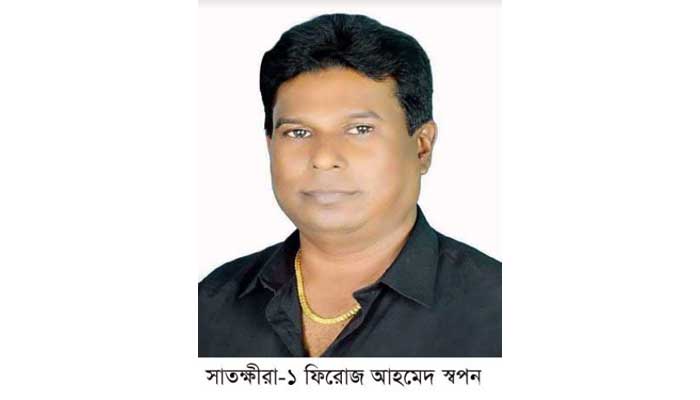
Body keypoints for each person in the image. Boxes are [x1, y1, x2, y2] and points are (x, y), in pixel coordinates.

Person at [199, 13, 501, 357]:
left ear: (422, 147)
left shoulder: (497, 310)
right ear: (270, 145)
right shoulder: (211, 305)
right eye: (298, 132)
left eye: (360, 130)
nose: (323, 157)